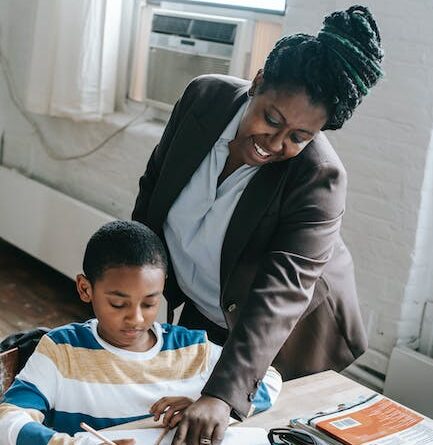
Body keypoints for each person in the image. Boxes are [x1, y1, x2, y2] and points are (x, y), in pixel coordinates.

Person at [132, 4, 384, 445]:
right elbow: (153, 196)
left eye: (299, 137)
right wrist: (136, 304)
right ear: (259, 80)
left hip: (282, 341)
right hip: (209, 306)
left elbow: (281, 291)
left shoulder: (318, 176)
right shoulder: (202, 100)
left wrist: (222, 395)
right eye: (272, 119)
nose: (275, 143)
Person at [0, 221, 281, 445]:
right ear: (85, 289)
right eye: (118, 303)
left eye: (150, 302)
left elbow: (268, 378)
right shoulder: (62, 350)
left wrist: (215, 403)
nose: (136, 318)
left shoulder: (190, 347)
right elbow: (7, 419)